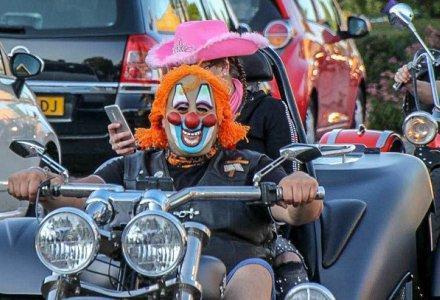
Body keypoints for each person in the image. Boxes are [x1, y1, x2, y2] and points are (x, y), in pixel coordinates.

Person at [8, 63, 323, 300]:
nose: (191, 119)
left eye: (203, 109)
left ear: (222, 120)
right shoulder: (131, 165)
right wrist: (46, 184)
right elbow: (80, 194)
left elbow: (295, 212)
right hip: (144, 277)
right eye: (181, 108)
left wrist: (300, 188)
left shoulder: (252, 165)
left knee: (254, 274)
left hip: (232, 273)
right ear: (161, 116)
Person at [108, 20, 302, 297]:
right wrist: (132, 147)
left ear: (224, 66)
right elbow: (151, 156)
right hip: (168, 231)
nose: (190, 78)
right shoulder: (173, 106)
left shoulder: (268, 111)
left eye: (200, 68)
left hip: (254, 222)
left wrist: (289, 192)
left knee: (286, 263)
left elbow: (290, 181)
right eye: (181, 70)